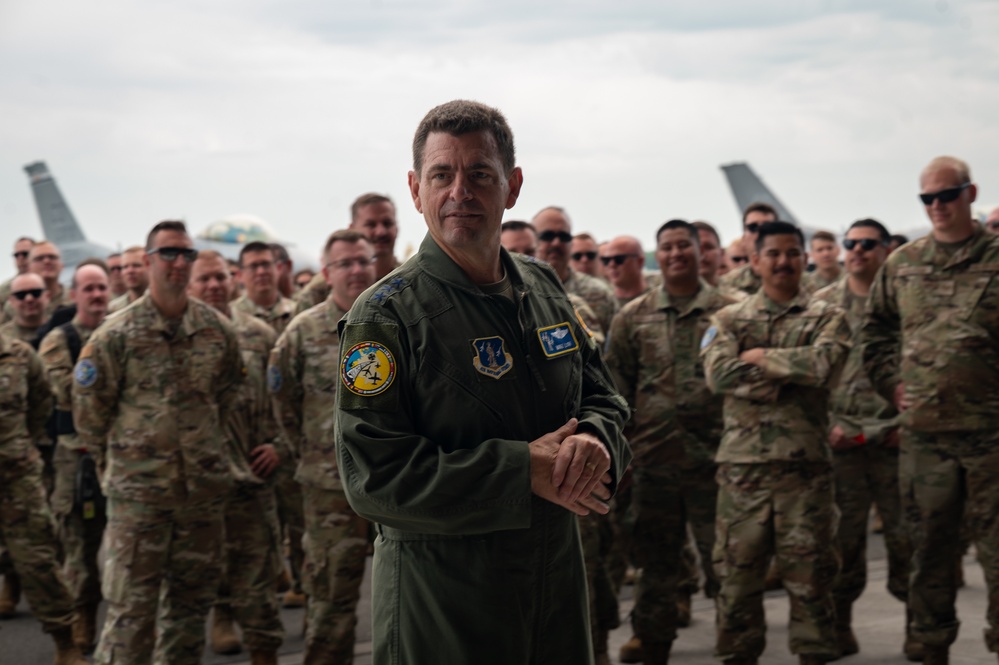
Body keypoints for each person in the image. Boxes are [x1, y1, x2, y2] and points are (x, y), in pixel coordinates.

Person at [335, 99, 630, 664]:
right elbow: (373, 478)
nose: (460, 192)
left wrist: (595, 439)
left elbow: (604, 397)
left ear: (512, 186)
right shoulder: (386, 317)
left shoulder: (543, 288)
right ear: (416, 191)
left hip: (554, 583)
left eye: (480, 174)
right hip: (447, 602)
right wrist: (523, 470)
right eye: (441, 175)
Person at [72, 220, 244, 665]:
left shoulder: (216, 331)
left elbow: (224, 399)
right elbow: (90, 418)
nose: (179, 263)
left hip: (200, 500)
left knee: (188, 618)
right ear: (148, 261)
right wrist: (133, 463)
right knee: (131, 619)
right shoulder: (114, 335)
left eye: (187, 254)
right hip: (139, 504)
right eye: (168, 253)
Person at [862, 156, 999, 665]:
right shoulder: (903, 264)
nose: (938, 206)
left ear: (971, 193)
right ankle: (928, 646)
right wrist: (890, 384)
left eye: (947, 195)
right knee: (928, 553)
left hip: (992, 438)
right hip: (925, 440)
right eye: (928, 198)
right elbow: (874, 331)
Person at [703, 220, 851, 665]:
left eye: (792, 253)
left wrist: (762, 357)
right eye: (773, 254)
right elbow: (718, 375)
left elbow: (825, 364)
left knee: (812, 582)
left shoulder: (829, 316)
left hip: (805, 474)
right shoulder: (728, 318)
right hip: (743, 475)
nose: (783, 261)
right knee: (736, 584)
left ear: (804, 258)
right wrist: (790, 373)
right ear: (755, 260)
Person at [605, 219, 740, 664]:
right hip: (654, 463)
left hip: (718, 462)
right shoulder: (634, 316)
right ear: (656, 255)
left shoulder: (732, 310)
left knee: (727, 561)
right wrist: (622, 452)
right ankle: (652, 640)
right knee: (655, 563)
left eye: (685, 245)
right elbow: (616, 390)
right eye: (667, 247)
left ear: (702, 252)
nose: (677, 253)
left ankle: (737, 641)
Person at [269, 230, 377, 664]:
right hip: (330, 490)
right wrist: (314, 455)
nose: (356, 271)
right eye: (345, 264)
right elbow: (283, 404)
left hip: (399, 479)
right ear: (326, 272)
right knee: (330, 598)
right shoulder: (302, 331)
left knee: (410, 591)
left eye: (362, 261)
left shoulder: (396, 320)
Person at [811, 218, 914, 659]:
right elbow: (810, 376)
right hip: (842, 443)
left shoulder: (907, 302)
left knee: (909, 542)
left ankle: (921, 631)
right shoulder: (820, 305)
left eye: (867, 244)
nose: (856, 251)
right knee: (841, 543)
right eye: (850, 243)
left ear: (886, 249)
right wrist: (827, 425)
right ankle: (839, 629)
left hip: (896, 443)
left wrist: (904, 425)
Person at [187, 250, 284, 663]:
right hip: (198, 482)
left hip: (250, 475)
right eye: (203, 279)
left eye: (220, 277)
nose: (213, 285)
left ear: (233, 279)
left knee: (257, 575)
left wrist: (279, 445)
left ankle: (263, 645)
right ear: (190, 286)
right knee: (200, 574)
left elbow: (285, 398)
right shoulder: (182, 336)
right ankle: (221, 615)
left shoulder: (259, 334)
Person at [0, 328, 88, 665]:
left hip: (17, 481)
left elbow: (42, 402)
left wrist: (26, 445)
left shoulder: (21, 355)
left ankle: (66, 644)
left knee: (39, 562)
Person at [38, 263, 110, 654]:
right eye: (89, 288)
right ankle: (82, 617)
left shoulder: (121, 332)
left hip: (119, 455)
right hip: (77, 460)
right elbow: (71, 395)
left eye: (102, 287)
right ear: (75, 294)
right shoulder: (58, 341)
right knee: (80, 547)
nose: (97, 295)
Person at [232, 241, 305, 607]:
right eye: (253, 266)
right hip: (245, 448)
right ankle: (232, 611)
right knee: (247, 537)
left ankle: (301, 588)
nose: (261, 271)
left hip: (290, 443)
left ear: (279, 269)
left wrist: (282, 442)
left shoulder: (299, 314)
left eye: (267, 264)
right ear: (241, 274)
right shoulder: (230, 323)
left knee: (300, 526)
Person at [500, 221, 606, 345]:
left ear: (539, 252)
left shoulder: (568, 306)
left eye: (529, 252)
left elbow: (593, 357)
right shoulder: (486, 308)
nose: (522, 259)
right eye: (512, 253)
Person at [533, 206, 619, 333]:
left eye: (564, 236)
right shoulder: (518, 290)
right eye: (548, 235)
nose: (556, 243)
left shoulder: (600, 293)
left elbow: (615, 347)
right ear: (533, 239)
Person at [719, 202, 778, 295]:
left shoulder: (797, 279)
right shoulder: (725, 285)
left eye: (767, 226)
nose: (760, 232)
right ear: (744, 239)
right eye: (753, 227)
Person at [600, 236, 649, 306]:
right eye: (606, 260)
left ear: (640, 262)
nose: (611, 265)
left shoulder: (657, 300)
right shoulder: (600, 303)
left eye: (619, 259)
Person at [1, 272, 50, 343]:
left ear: (47, 296)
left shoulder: (61, 330)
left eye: (35, 293)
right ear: (12, 301)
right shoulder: (3, 338)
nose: (29, 299)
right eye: (21, 295)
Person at [0, 236, 37, 324]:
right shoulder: (4, 289)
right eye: (17, 255)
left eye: (25, 254)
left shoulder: (46, 282)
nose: (20, 258)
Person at [108, 246, 148, 313]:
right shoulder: (113, 309)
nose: (130, 271)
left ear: (149, 265)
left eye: (136, 265)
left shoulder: (163, 304)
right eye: (125, 267)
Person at [692, 220, 725, 285]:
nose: (702, 254)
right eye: (695, 248)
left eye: (708, 247)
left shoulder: (741, 292)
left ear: (721, 253)